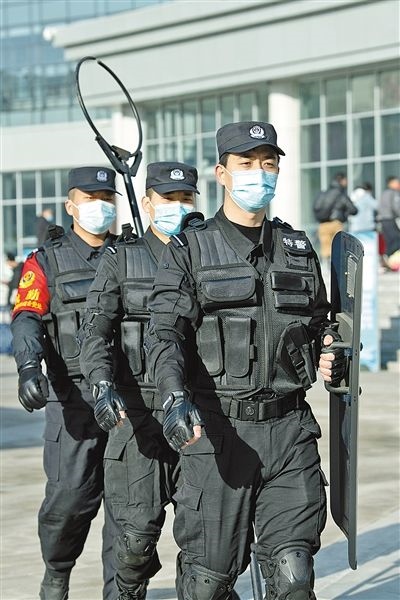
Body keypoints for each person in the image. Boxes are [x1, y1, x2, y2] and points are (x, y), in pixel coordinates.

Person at [144, 121, 346, 600]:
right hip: (218, 434)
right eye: (247, 163)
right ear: (222, 173)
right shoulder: (190, 249)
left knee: (294, 576)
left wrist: (329, 348)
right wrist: (173, 397)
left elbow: (321, 321)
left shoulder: (298, 250)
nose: (260, 172)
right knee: (208, 583)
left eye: (268, 163)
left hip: (290, 431)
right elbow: (165, 333)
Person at [78, 161, 199, 599]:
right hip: (139, 419)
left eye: (186, 198)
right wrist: (101, 383)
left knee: (207, 546)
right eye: (168, 199)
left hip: (200, 418)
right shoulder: (121, 258)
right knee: (134, 542)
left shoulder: (208, 253)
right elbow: (95, 329)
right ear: (148, 204)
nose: (178, 206)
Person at [10, 166, 120, 600]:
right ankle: (56, 572)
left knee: (130, 514)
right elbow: (26, 317)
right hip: (73, 402)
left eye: (106, 198)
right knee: (68, 503)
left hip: (128, 402)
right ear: (71, 206)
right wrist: (28, 366)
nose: (99, 206)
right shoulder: (45, 261)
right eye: (90, 198)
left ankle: (122, 591)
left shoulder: (131, 254)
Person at [313, 172, 357, 266]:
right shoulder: (340, 194)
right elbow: (353, 209)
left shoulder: (323, 193)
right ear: (341, 180)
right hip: (336, 223)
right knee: (337, 247)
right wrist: (345, 214)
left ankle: (325, 268)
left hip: (323, 224)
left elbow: (316, 207)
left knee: (325, 248)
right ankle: (335, 268)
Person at [377, 176, 400, 259]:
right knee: (396, 240)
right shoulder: (394, 193)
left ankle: (387, 258)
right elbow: (396, 207)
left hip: (383, 220)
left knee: (389, 241)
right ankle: (388, 257)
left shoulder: (384, 193)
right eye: (397, 182)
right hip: (390, 219)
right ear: (391, 183)